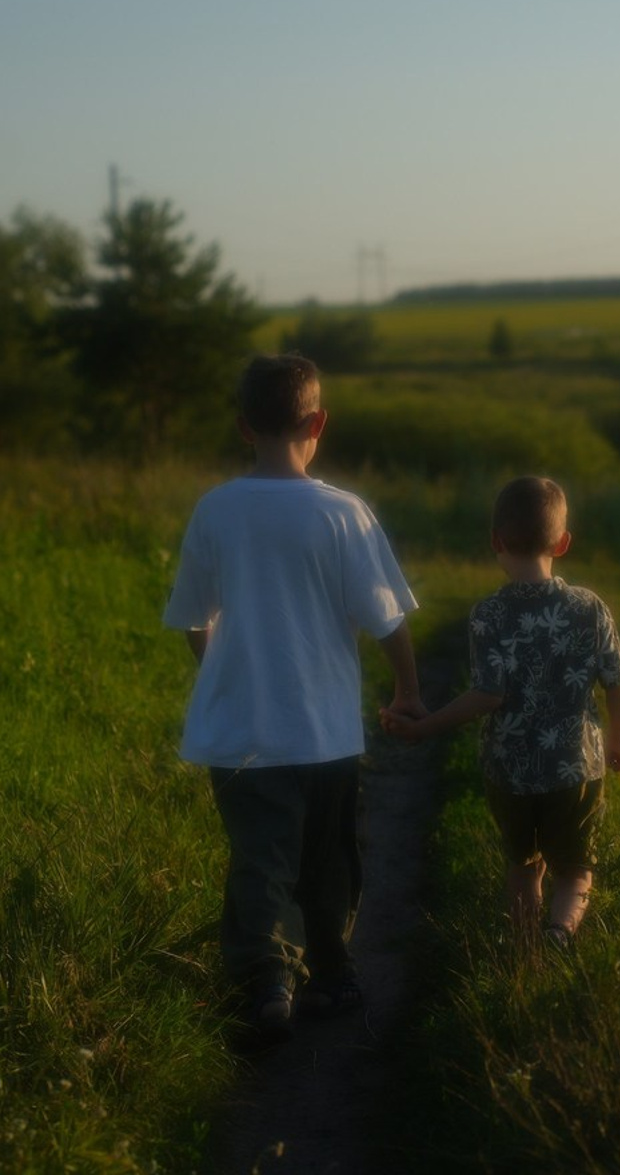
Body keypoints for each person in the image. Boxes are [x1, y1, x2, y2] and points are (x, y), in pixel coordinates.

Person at [163, 353, 425, 1038]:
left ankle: (265, 981)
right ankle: (332, 978)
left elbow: (195, 618)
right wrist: (408, 690)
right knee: (327, 859)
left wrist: (223, 668)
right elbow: (387, 619)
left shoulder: (215, 510)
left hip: (242, 731)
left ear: (245, 426)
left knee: (260, 858)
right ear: (319, 422)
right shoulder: (345, 513)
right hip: (326, 734)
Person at [381, 475, 620, 947]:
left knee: (523, 865)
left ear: (496, 541)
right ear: (563, 542)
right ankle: (559, 931)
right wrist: (618, 742)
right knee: (576, 868)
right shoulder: (589, 608)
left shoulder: (489, 614)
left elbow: (488, 695)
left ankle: (523, 949)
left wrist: (428, 726)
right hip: (577, 767)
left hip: (510, 770)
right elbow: (618, 680)